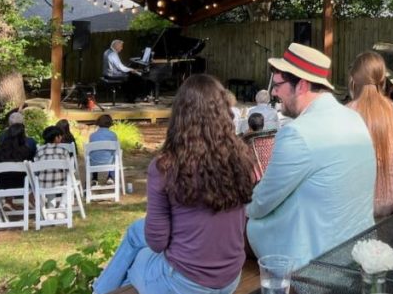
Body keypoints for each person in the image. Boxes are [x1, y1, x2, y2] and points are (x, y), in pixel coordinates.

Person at [93, 74, 255, 294]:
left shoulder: (165, 167)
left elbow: (157, 242)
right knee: (134, 232)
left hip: (184, 283)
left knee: (137, 259)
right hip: (230, 278)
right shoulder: (242, 158)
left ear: (180, 116)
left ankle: (99, 291)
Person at [246, 43, 376, 268]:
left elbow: (261, 203)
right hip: (356, 249)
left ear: (302, 85)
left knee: (232, 223)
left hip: (314, 261)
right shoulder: (354, 118)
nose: (274, 92)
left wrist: (241, 207)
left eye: (278, 85)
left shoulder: (297, 133)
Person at [346, 51, 393, 217]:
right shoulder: (392, 109)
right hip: (392, 197)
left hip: (357, 203)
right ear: (382, 79)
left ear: (353, 80)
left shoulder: (348, 112)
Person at [35, 125, 71, 212]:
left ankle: (51, 206)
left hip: (43, 184)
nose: (61, 138)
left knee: (48, 179)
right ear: (56, 138)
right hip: (61, 182)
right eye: (60, 136)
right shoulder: (64, 151)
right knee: (71, 181)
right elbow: (69, 169)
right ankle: (62, 205)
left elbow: (36, 169)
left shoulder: (39, 151)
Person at [102, 39, 146, 103]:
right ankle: (132, 98)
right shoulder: (113, 54)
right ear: (116, 46)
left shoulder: (107, 51)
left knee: (130, 75)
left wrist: (129, 69)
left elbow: (119, 66)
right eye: (121, 46)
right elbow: (120, 67)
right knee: (134, 77)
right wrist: (131, 69)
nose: (122, 48)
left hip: (107, 73)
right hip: (111, 74)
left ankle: (129, 96)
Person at [0, 123, 34, 191]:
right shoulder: (26, 150)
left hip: (1, 186)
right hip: (23, 186)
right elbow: (31, 169)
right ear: (23, 136)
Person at [89, 113, 118, 184]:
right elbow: (114, 150)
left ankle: (95, 178)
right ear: (110, 123)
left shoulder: (92, 136)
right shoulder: (113, 135)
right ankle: (110, 176)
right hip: (109, 162)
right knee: (114, 155)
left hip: (94, 162)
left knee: (94, 153)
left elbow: (91, 151)